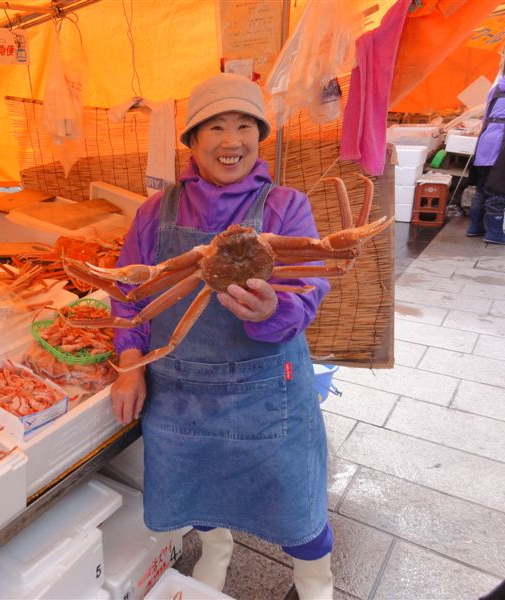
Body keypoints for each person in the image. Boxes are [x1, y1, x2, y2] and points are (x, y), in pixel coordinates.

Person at [110, 73, 334, 598]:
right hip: (180, 391)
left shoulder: (285, 207)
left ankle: (316, 581)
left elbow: (309, 287)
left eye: (244, 126)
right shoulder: (155, 212)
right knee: (198, 488)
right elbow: (127, 291)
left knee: (295, 499)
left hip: (266, 390)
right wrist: (129, 364)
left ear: (259, 136)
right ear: (191, 140)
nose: (231, 141)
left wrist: (273, 308)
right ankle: (216, 550)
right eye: (215, 126)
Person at [467, 47, 505, 245]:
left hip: (487, 138)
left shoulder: (499, 85)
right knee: (499, 185)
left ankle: (475, 226)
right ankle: (494, 232)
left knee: (483, 184)